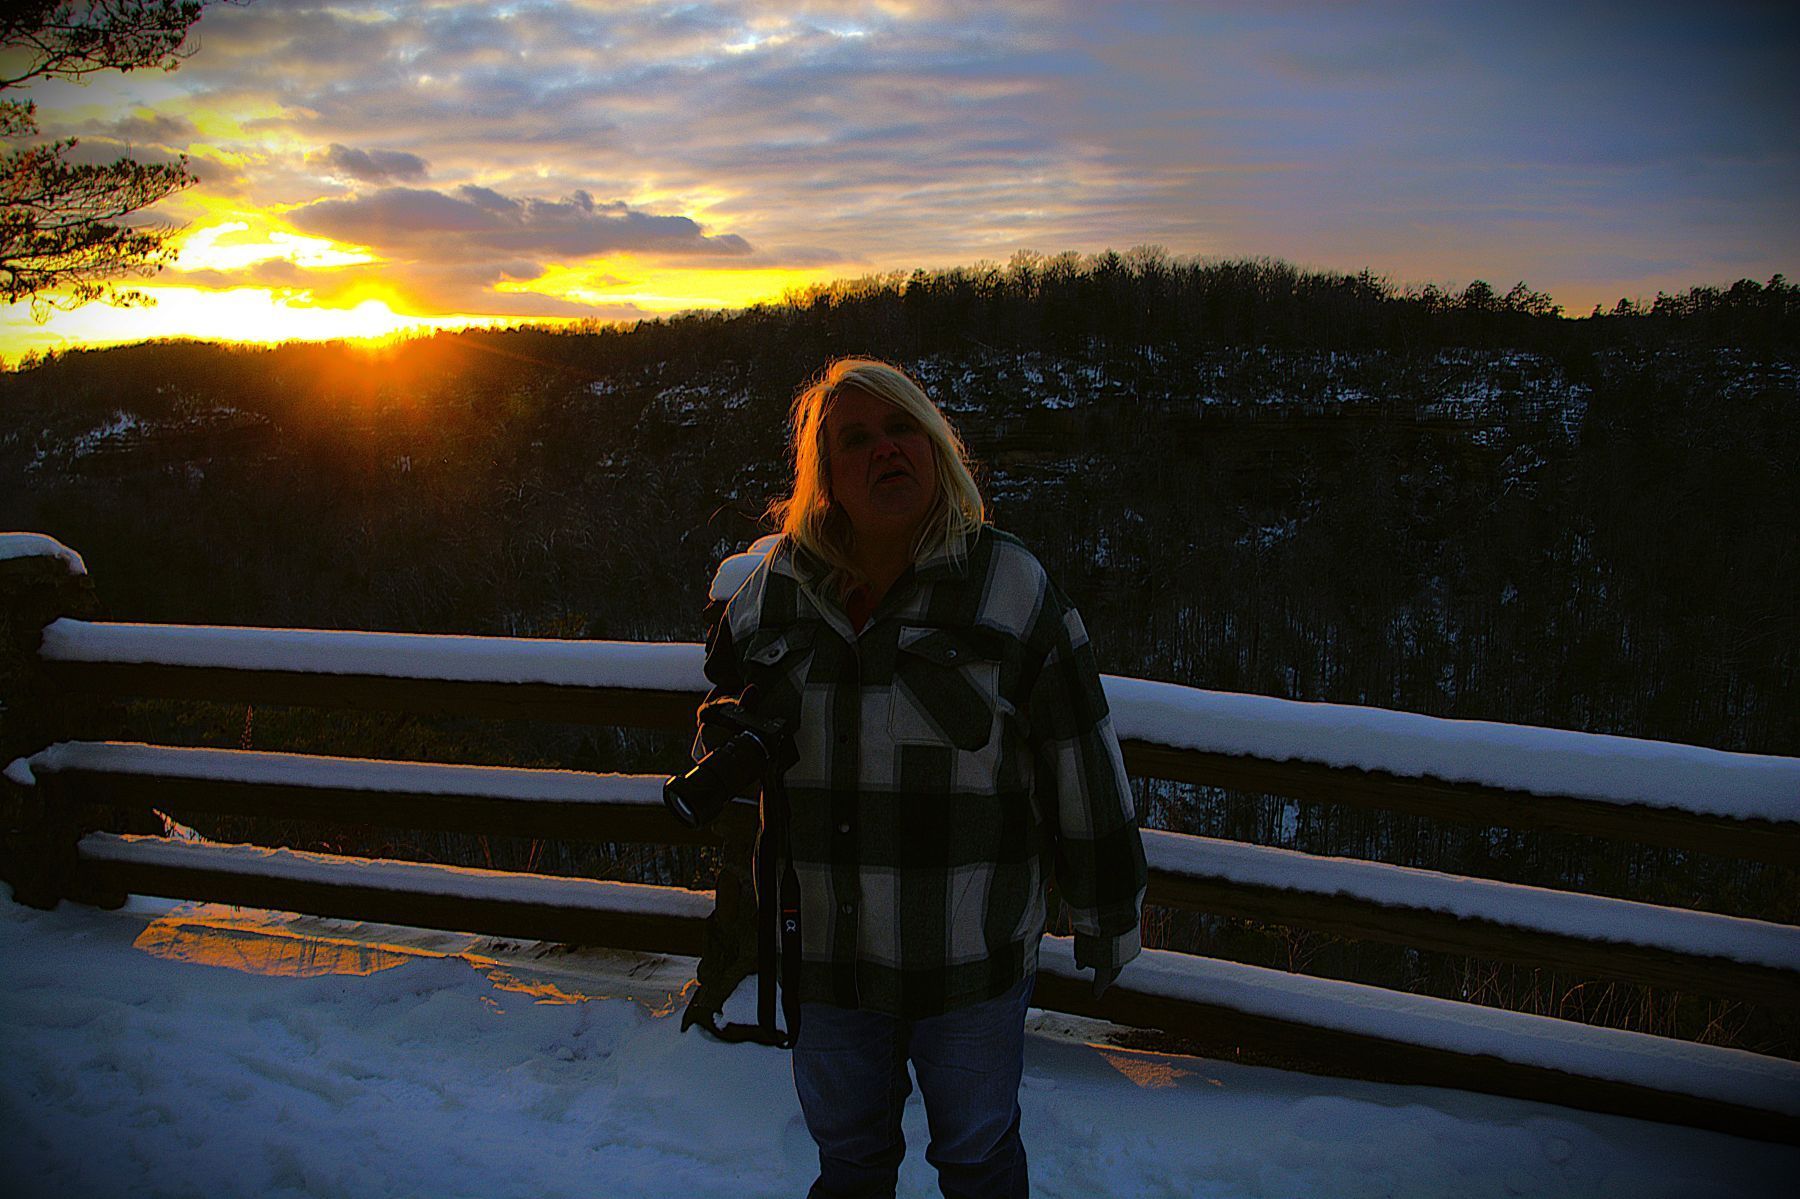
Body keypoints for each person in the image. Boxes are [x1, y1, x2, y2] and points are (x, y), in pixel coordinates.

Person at [697, 357, 1146, 1199]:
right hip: (829, 961)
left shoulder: (1007, 583)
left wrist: (1107, 912)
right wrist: (728, 730)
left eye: (902, 428)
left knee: (977, 1162)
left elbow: (1079, 751)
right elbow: (728, 682)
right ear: (825, 474)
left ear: (937, 447)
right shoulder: (785, 583)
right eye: (855, 440)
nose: (885, 451)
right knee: (851, 1166)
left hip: (967, 960)